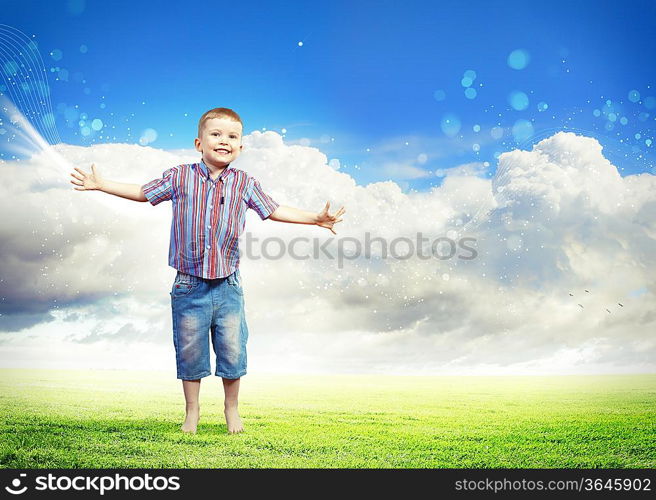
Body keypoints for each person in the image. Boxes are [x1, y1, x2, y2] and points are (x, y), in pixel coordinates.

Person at [70, 107, 345, 434]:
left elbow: (274, 211)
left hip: (228, 285)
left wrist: (315, 218)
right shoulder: (179, 176)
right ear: (199, 143)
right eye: (216, 135)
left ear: (241, 147)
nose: (224, 141)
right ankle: (192, 411)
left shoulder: (245, 183)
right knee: (190, 351)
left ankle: (231, 408)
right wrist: (102, 185)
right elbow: (143, 193)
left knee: (232, 350)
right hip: (189, 285)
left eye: (232, 137)